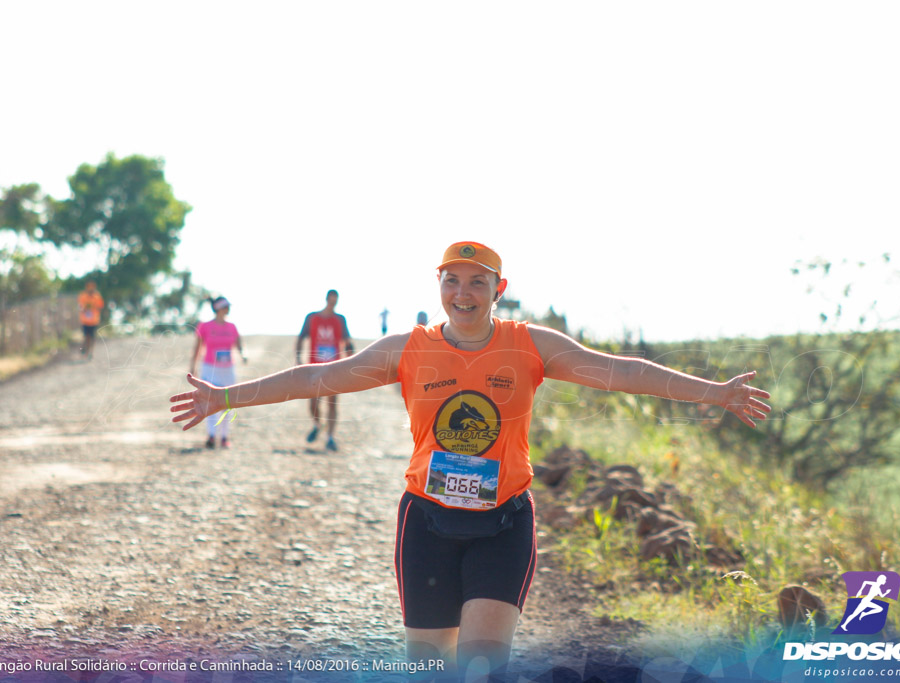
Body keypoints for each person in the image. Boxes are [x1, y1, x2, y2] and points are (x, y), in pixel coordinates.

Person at [171, 241, 771, 681]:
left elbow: (622, 374)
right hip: (427, 523)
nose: (463, 293)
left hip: (503, 524)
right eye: (451, 280)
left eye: (477, 281)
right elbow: (318, 377)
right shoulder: (409, 350)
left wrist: (713, 392)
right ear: (438, 287)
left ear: (497, 290)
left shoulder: (529, 345)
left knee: (483, 666)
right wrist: (226, 397)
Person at [295, 289, 352, 452]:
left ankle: (330, 437)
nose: (333, 303)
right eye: (331, 300)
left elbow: (347, 341)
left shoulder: (340, 320)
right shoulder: (312, 318)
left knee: (332, 403)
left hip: (334, 368)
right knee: (313, 402)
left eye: (336, 301)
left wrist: (351, 361)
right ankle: (317, 424)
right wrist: (298, 359)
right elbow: (301, 337)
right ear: (327, 299)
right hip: (314, 367)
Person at [189, 296, 246, 449]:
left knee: (228, 403)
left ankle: (225, 437)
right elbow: (198, 346)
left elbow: (238, 343)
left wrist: (242, 355)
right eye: (226, 306)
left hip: (227, 369)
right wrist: (193, 365)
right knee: (209, 401)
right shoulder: (205, 326)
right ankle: (212, 435)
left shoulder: (232, 326)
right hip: (209, 367)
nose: (229, 309)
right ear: (219, 308)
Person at [77, 280, 104, 360]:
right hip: (85, 320)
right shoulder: (83, 296)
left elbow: (100, 306)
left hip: (94, 321)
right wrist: (83, 309)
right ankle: (85, 349)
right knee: (86, 336)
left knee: (92, 337)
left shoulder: (97, 296)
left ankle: (90, 352)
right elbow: (80, 306)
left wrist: (94, 308)